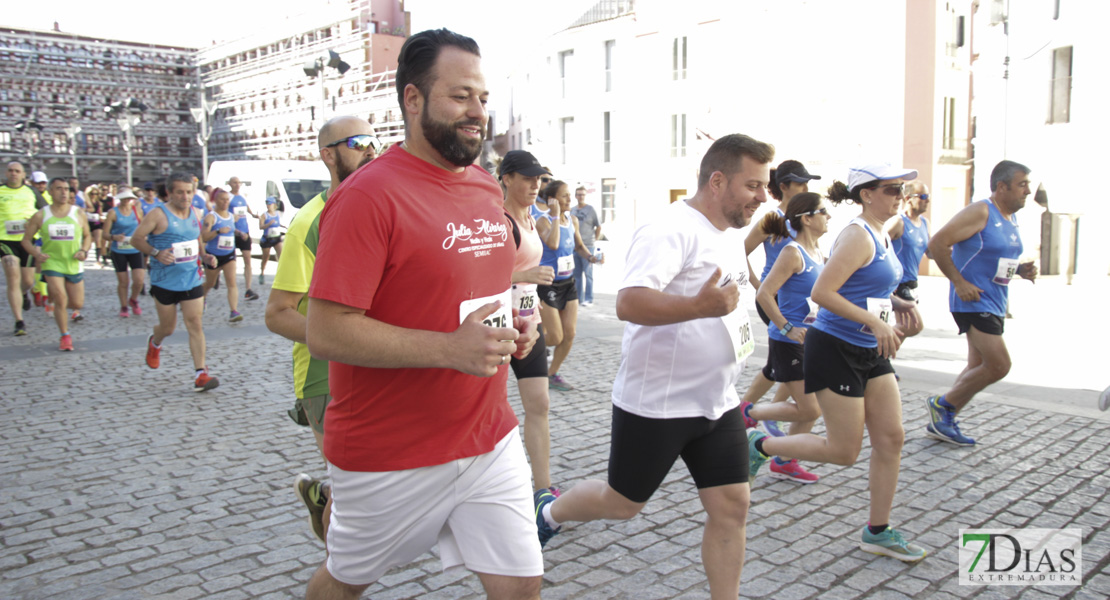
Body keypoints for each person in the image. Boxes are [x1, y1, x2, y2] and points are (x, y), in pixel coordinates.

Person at [302, 29, 542, 600]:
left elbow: (471, 284)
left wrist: (513, 325)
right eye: (460, 96)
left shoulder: (487, 189)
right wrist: (447, 348)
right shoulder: (367, 196)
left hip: (488, 438)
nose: (476, 112)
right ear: (413, 99)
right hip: (390, 452)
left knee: (522, 585)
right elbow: (326, 329)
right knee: (343, 583)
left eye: (482, 98)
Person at [536, 134, 772, 599]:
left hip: (717, 402)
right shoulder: (669, 228)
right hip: (658, 405)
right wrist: (701, 307)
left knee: (732, 506)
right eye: (754, 185)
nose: (763, 197)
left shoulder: (728, 234)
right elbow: (630, 303)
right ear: (718, 180)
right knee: (622, 503)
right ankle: (549, 513)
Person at [747, 164, 927, 562]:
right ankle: (760, 444)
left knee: (891, 438)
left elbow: (869, 286)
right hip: (836, 346)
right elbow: (824, 292)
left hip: (869, 349)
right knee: (845, 451)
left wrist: (900, 303)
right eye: (891, 188)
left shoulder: (884, 231)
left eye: (903, 188)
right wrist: (871, 322)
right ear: (866, 194)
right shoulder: (857, 236)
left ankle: (877, 531)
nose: (900, 195)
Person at [266, 114, 380, 543]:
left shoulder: (377, 208)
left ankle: (323, 493)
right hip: (324, 375)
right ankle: (337, 576)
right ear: (328, 155)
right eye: (357, 142)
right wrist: (339, 335)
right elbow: (277, 312)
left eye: (374, 140)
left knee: (378, 481)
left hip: (376, 363)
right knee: (356, 498)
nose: (370, 149)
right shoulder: (309, 222)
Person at [924, 160, 1037, 446]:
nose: (1028, 190)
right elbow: (936, 244)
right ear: (1002, 186)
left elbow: (996, 261)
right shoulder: (981, 211)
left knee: (977, 365)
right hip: (974, 301)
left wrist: (1021, 271)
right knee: (999, 365)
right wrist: (959, 282)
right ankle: (943, 405)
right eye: (1022, 184)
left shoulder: (1009, 219)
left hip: (995, 300)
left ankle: (943, 421)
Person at [739, 192, 830, 484]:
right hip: (788, 341)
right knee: (810, 408)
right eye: (823, 211)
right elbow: (765, 293)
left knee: (811, 410)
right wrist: (787, 326)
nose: (829, 216)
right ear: (807, 218)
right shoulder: (793, 253)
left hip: (812, 341)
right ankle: (748, 414)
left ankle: (785, 461)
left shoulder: (819, 253)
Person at [740, 160, 822, 436]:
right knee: (785, 358)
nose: (806, 188)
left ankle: (752, 411)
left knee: (779, 365)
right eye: (800, 183)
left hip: (801, 300)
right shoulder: (772, 219)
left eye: (808, 183)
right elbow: (740, 252)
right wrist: (758, 284)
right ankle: (754, 412)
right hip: (774, 298)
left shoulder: (806, 218)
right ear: (784, 186)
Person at [500, 150, 560, 496]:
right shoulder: (499, 220)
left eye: (538, 179)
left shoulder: (529, 217)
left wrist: (530, 292)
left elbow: (523, 277)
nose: (535, 185)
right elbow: (480, 274)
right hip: (497, 328)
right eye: (527, 178)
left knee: (540, 403)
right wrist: (526, 274)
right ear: (507, 179)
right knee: (488, 411)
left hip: (528, 322)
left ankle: (543, 488)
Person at [130, 172, 219, 393]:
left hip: (191, 278)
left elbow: (196, 239)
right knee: (168, 328)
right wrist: (156, 253)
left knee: (195, 323)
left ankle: (201, 373)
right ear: (169, 192)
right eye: (180, 192)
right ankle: (155, 342)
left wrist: (205, 256)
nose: (185, 197)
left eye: (189, 192)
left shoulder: (196, 212)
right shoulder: (157, 215)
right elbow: (136, 239)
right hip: (164, 281)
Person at [536, 179, 599, 392]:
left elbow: (579, 246)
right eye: (564, 196)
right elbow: (553, 243)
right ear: (552, 199)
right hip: (548, 284)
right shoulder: (543, 221)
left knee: (569, 334)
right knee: (555, 336)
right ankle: (524, 349)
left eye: (570, 196)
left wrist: (591, 257)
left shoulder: (573, 220)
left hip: (568, 283)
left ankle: (551, 373)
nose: (569, 200)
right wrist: (554, 216)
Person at [21, 178, 92, 350]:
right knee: (61, 299)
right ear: (50, 192)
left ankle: (56, 305)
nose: (63, 192)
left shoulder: (78, 213)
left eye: (66, 189)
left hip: (73, 263)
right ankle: (65, 336)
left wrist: (83, 250)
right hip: (52, 263)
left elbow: (88, 236)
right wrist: (36, 253)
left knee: (77, 304)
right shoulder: (41, 215)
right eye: (59, 189)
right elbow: (26, 241)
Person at [2, 161, 44, 335]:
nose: (13, 174)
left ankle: (24, 293)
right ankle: (19, 321)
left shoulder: (31, 191)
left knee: (27, 281)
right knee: (13, 275)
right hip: (4, 240)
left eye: (17, 171)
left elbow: (44, 212)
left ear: (23, 175)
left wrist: (34, 223)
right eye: (11, 170)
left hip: (27, 239)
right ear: (6, 173)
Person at [886, 180, 930, 337]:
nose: (928, 200)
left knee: (907, 326)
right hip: (897, 284)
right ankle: (877, 346)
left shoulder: (925, 223)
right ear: (908, 198)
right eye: (923, 196)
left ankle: (880, 355)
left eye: (928, 196)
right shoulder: (898, 222)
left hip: (911, 283)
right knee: (914, 325)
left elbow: (931, 252)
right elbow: (878, 247)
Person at [200, 188, 243, 323]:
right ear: (216, 200)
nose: (225, 202)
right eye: (222, 199)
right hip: (213, 255)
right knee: (210, 283)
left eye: (227, 199)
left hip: (229, 254)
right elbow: (204, 236)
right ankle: (202, 296)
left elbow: (230, 230)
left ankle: (233, 311)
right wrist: (218, 231)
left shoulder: (231, 216)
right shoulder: (211, 217)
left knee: (231, 282)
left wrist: (239, 233)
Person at [103, 188, 145, 318]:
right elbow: (105, 234)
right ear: (120, 199)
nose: (127, 200)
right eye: (124, 198)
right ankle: (124, 306)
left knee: (139, 280)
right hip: (119, 250)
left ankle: (133, 299)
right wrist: (114, 237)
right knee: (123, 282)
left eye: (129, 198)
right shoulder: (112, 213)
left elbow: (143, 227)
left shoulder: (137, 211)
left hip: (135, 249)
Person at [225, 176, 260, 301]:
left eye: (239, 182)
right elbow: (224, 214)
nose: (237, 184)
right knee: (229, 263)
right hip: (232, 233)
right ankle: (228, 285)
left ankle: (248, 289)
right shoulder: (228, 197)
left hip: (245, 232)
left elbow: (248, 211)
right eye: (234, 182)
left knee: (247, 260)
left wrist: (256, 215)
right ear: (229, 184)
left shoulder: (242, 196)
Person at [569, 186, 602, 307]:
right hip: (575, 246)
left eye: (582, 194)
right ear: (575, 196)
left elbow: (598, 226)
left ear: (585, 195)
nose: (580, 197)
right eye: (578, 194)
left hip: (588, 246)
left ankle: (589, 298)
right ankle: (579, 299)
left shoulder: (591, 209)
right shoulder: (572, 210)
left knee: (588, 274)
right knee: (576, 275)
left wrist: (595, 239)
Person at [257, 198, 283, 284]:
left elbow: (279, 224)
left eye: (270, 204)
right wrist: (268, 224)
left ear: (274, 205)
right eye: (267, 204)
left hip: (276, 237)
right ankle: (262, 273)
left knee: (281, 255)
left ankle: (280, 275)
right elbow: (261, 227)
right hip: (267, 238)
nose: (268, 206)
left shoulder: (278, 214)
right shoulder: (264, 215)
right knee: (266, 257)